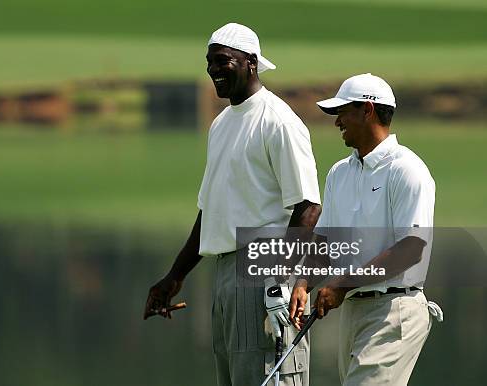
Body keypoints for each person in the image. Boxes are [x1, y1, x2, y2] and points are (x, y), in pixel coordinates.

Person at [143, 22, 321, 386]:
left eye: (222, 61)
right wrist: (174, 276)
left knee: (268, 377)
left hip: (263, 269)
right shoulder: (221, 124)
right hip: (226, 274)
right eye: (209, 62)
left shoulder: (279, 121)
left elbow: (308, 208)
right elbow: (210, 209)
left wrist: (279, 281)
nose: (212, 70)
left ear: (251, 63)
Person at [288, 73, 443, 385]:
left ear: (367, 110)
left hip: (394, 310)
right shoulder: (339, 174)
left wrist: (342, 286)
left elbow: (410, 250)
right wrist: (304, 283)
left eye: (342, 112)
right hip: (352, 312)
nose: (336, 122)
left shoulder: (407, 170)